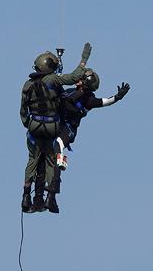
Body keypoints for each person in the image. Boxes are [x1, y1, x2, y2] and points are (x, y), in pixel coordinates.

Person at [20, 42, 92, 214]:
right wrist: (84, 59)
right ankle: (50, 198)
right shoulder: (53, 80)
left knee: (33, 161)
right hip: (52, 127)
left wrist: (28, 124)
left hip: (34, 127)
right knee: (51, 160)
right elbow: (74, 77)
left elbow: (23, 110)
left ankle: (26, 196)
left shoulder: (27, 85)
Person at [41, 70, 131, 201]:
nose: (77, 79)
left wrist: (117, 97)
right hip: (57, 124)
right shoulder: (71, 91)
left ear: (86, 84)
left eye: (81, 79)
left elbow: (105, 101)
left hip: (68, 129)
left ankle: (55, 185)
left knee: (58, 144)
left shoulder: (89, 100)